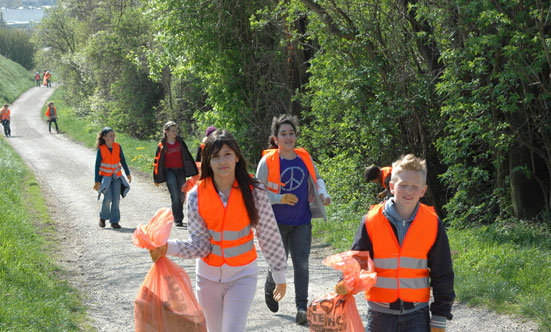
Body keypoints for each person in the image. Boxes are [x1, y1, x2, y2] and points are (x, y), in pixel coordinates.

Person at [149, 129, 288, 332]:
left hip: (243, 275)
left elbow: (269, 234)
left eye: (227, 154)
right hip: (208, 278)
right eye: (215, 157)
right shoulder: (196, 195)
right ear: (208, 161)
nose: (222, 161)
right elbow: (200, 246)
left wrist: (279, 275)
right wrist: (166, 247)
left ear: (237, 157)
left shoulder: (255, 191)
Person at [335, 154, 455, 332]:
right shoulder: (371, 220)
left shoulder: (432, 223)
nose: (409, 191)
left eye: (415, 187)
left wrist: (440, 315)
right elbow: (358, 259)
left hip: (417, 313)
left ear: (423, 190)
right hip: (379, 315)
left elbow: (442, 271)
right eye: (403, 185)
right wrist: (345, 282)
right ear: (391, 186)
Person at [255, 114, 331, 325]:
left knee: (302, 264)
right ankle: (271, 285)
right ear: (276, 138)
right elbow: (257, 193)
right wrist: (279, 198)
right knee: (278, 264)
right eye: (283, 134)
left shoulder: (304, 158)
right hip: (275, 223)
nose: (288, 138)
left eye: (291, 133)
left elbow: (317, 179)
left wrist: (323, 194)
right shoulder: (267, 161)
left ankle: (301, 308)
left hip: (302, 221)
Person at [153, 121, 198, 227]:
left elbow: (187, 157)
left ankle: (177, 212)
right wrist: (156, 178)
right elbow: (157, 162)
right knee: (175, 196)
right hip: (169, 171)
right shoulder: (162, 145)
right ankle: (178, 218)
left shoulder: (180, 142)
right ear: (166, 132)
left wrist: (193, 171)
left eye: (176, 131)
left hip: (180, 171)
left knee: (182, 195)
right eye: (173, 131)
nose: (175, 133)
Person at [93, 127, 132, 229]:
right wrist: (97, 181)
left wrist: (127, 173)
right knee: (108, 198)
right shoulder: (101, 149)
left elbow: (123, 160)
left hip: (116, 177)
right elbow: (97, 166)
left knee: (116, 199)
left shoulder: (118, 147)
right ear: (104, 137)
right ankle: (103, 217)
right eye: (110, 136)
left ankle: (114, 221)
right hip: (105, 178)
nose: (113, 137)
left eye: (114, 135)